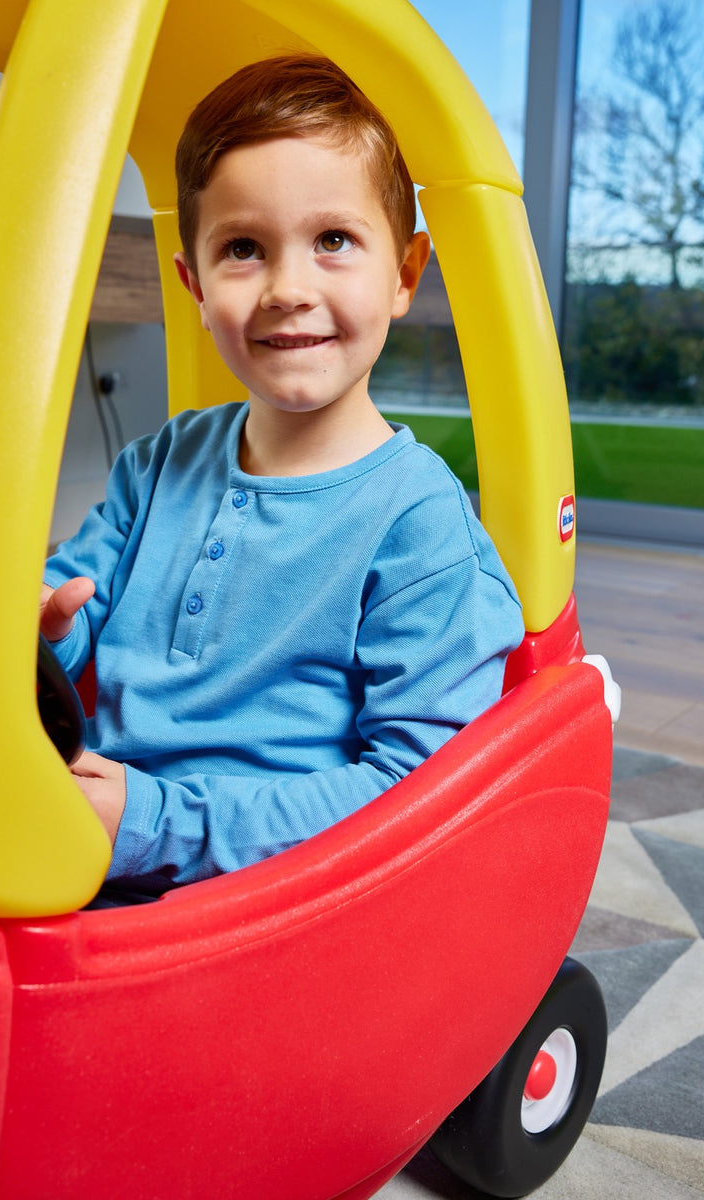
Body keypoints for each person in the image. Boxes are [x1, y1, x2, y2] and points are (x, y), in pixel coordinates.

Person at [41, 54, 525, 901]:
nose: (288, 289)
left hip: (281, 897)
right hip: (90, 827)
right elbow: (73, 610)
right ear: (194, 284)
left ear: (405, 273)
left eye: (333, 240)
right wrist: (46, 631)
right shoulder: (157, 463)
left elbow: (412, 793)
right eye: (243, 249)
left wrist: (158, 821)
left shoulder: (418, 524)